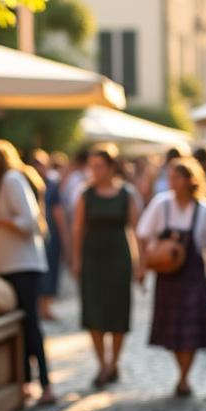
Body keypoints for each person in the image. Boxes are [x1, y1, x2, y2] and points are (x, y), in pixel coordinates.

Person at [138, 157, 206, 397]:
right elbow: (143, 233)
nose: (172, 182)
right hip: (167, 275)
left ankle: (184, 377)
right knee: (173, 329)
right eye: (170, 177)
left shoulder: (204, 208)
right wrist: (149, 259)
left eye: (177, 177)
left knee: (189, 330)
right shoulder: (161, 203)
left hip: (193, 274)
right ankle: (182, 371)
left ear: (190, 180)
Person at [0, 139, 55, 404]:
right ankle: (24, 382)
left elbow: (30, 222)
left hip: (22, 264)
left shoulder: (11, 181)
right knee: (19, 326)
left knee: (30, 324)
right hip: (5, 264)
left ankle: (45, 383)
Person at [72, 143, 141, 388]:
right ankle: (102, 363)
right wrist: (77, 259)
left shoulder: (126, 194)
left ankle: (114, 362)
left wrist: (139, 264)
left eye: (99, 166)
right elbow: (78, 229)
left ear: (112, 167)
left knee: (118, 312)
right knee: (94, 312)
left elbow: (136, 230)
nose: (95, 171)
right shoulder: (85, 194)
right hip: (93, 257)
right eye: (92, 166)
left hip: (118, 257)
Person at [30, 150, 65, 321]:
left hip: (50, 234)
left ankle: (46, 307)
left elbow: (58, 211)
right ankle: (38, 307)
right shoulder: (27, 182)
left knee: (51, 270)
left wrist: (65, 236)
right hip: (34, 234)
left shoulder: (52, 184)